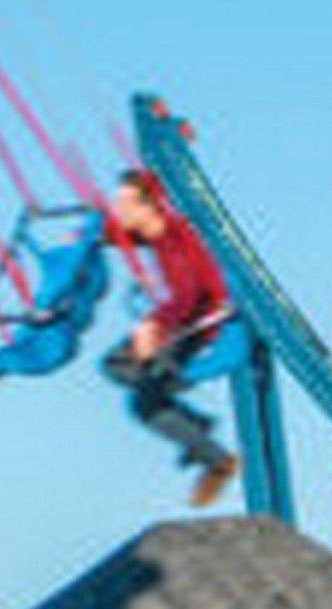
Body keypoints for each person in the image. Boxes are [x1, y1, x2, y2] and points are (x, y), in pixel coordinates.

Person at [94, 172, 237, 508]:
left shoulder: (178, 238)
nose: (116, 209)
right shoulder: (155, 234)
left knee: (144, 402)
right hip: (179, 322)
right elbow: (118, 234)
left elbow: (190, 293)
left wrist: (154, 327)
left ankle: (211, 451)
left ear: (147, 207)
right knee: (117, 370)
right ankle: (194, 427)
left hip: (198, 324)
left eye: (124, 203)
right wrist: (91, 235)